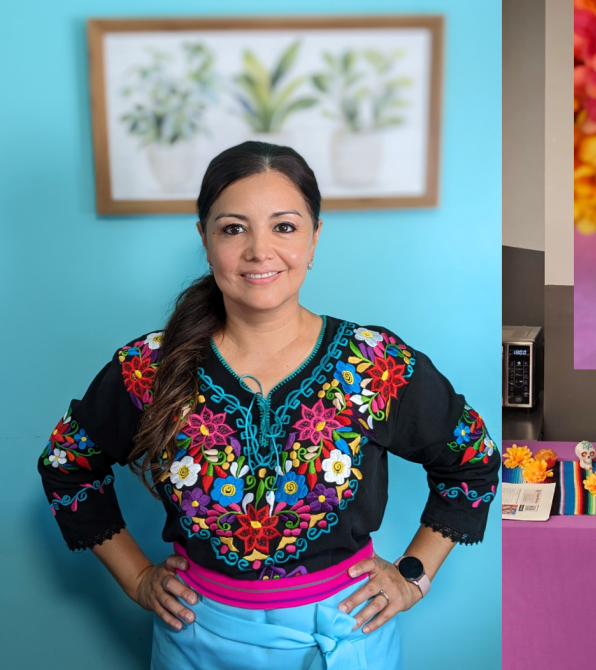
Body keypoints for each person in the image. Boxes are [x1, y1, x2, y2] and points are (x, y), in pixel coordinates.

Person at [35, 142, 499, 669]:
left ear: (314, 237)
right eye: (234, 228)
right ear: (205, 241)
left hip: (344, 640)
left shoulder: (373, 362)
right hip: (196, 639)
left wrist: (414, 574)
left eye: (284, 226)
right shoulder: (151, 365)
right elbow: (67, 464)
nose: (260, 251)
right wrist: (138, 577)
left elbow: (472, 459)